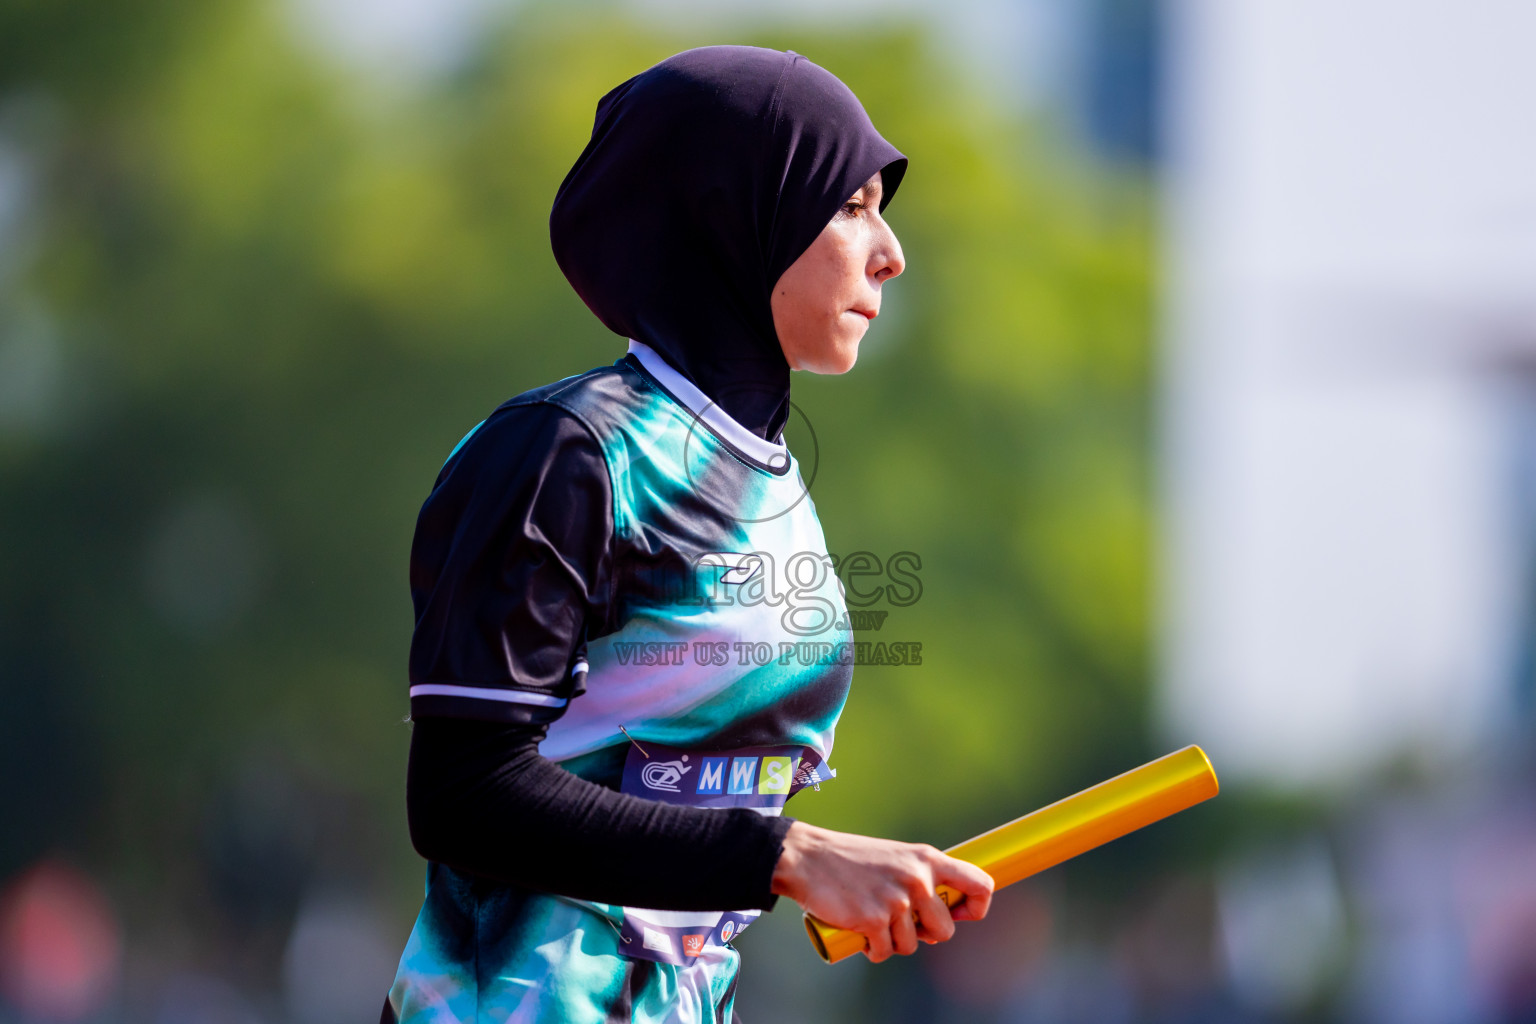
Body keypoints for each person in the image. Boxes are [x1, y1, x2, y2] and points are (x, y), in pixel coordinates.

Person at [384, 45, 994, 1024]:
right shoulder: (564, 451)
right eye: (851, 206)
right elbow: (462, 792)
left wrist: (825, 868)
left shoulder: (775, 479)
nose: (892, 251)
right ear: (734, 212)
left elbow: (690, 801)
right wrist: (790, 855)